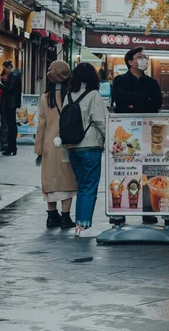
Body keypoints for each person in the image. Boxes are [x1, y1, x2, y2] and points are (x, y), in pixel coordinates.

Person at [113, 47, 163, 225]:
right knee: (124, 170)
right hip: (124, 136)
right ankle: (119, 211)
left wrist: (134, 103)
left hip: (147, 133)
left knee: (147, 171)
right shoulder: (119, 80)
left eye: (145, 57)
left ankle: (148, 211)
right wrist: (144, 100)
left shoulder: (152, 82)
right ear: (130, 62)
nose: (144, 60)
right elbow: (119, 98)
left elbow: (157, 103)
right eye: (140, 57)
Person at [64, 63, 108, 238]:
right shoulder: (94, 95)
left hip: (72, 146)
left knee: (82, 187)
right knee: (90, 187)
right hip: (90, 146)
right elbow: (100, 121)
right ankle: (84, 226)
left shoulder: (69, 95)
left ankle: (79, 226)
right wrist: (113, 140)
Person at [35, 61, 77, 229]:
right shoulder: (72, 96)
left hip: (49, 145)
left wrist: (38, 149)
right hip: (68, 143)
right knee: (68, 180)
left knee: (50, 180)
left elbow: (41, 125)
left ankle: (51, 216)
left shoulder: (45, 98)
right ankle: (66, 217)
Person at [0, 61, 22, 156]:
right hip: (13, 103)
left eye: (5, 69)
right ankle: (12, 147)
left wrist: (0, 84)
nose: (5, 71)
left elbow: (9, 89)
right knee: (12, 125)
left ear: (8, 67)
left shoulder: (13, 75)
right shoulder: (16, 74)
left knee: (10, 126)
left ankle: (11, 147)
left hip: (9, 104)